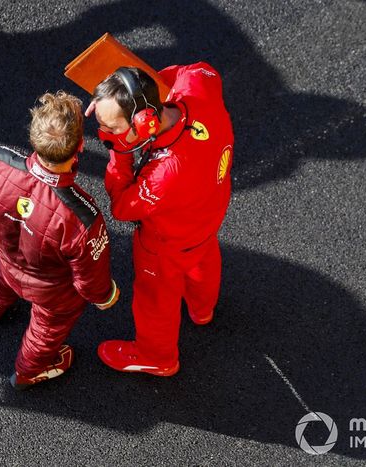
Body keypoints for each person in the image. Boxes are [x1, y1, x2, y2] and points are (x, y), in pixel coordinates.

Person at [85, 63, 233, 376]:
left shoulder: (163, 176)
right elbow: (200, 70)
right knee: (204, 260)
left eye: (111, 128)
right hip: (208, 216)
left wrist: (119, 152)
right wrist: (123, 96)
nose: (104, 134)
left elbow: (123, 207)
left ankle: (156, 356)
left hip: (166, 244)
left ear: (147, 122)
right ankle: (202, 310)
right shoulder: (197, 88)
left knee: (155, 298)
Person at [0, 91, 120, 389]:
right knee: (46, 330)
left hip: (7, 261)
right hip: (53, 293)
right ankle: (28, 371)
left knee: (3, 280)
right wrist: (106, 296)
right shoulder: (83, 217)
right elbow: (90, 281)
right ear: (81, 146)